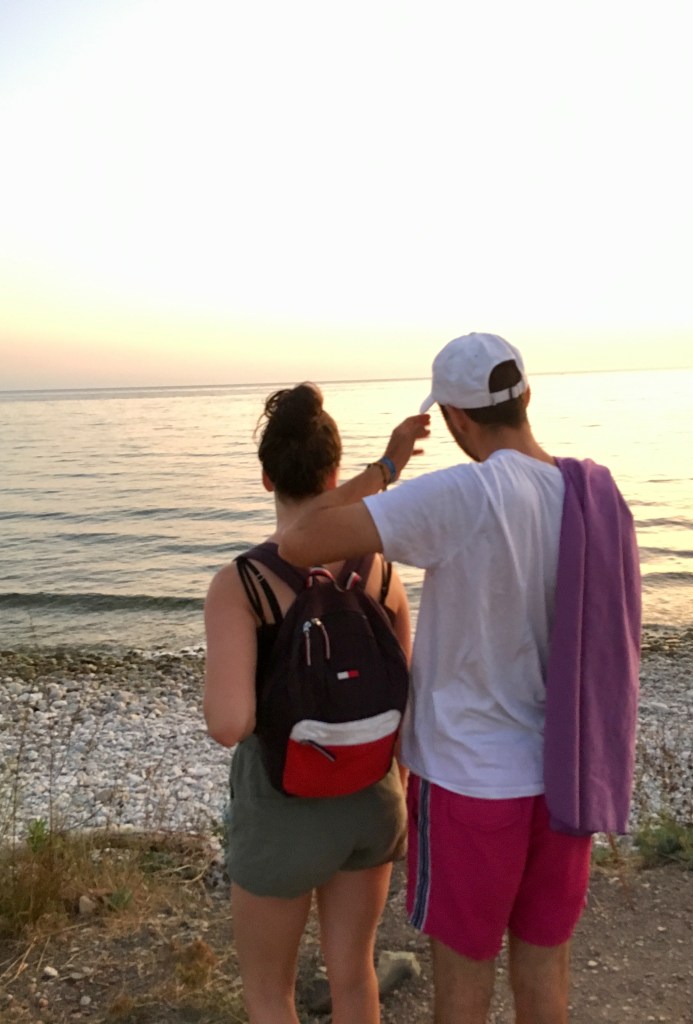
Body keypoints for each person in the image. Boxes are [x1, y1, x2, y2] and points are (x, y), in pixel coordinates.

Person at [279, 333, 641, 1024]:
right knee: (545, 971)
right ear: (526, 396)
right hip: (565, 777)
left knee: (464, 981)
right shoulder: (587, 493)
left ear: (454, 418)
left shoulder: (463, 495)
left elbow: (299, 539)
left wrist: (387, 465)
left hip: (470, 782)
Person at [203, 383, 412, 1024]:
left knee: (272, 993)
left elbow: (230, 723)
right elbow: (404, 694)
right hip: (373, 798)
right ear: (335, 473)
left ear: (267, 478)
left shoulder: (242, 584)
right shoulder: (380, 572)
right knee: (354, 974)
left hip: (283, 809)